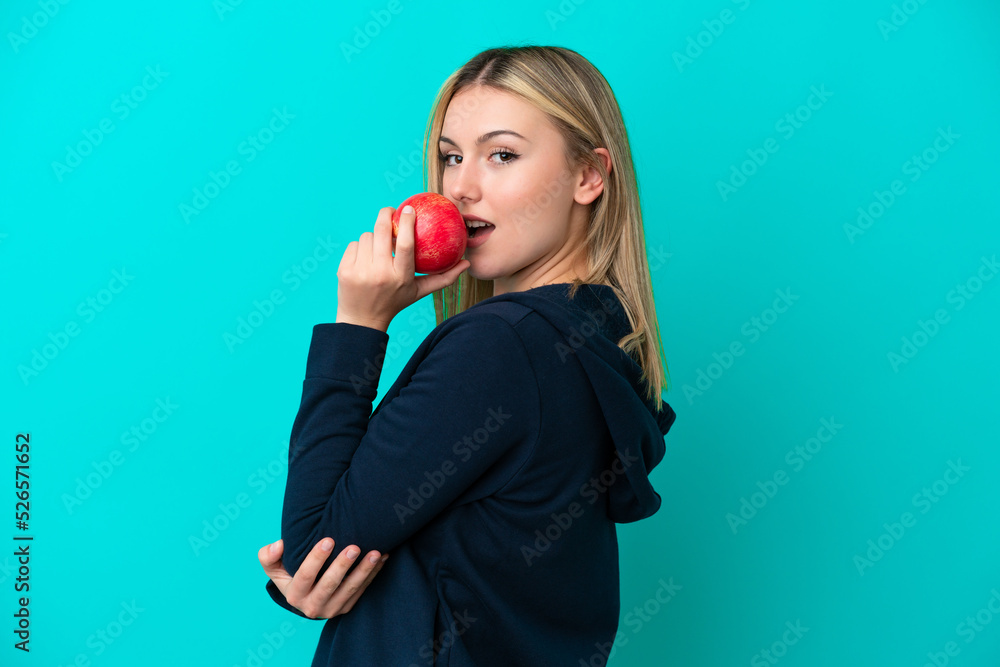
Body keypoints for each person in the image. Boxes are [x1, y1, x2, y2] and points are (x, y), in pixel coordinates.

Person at [257, 45, 677, 666]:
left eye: (501, 154)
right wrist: (312, 577)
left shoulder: (501, 345)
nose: (460, 186)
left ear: (590, 175)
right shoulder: (594, 344)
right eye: (451, 157)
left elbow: (314, 546)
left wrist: (358, 324)